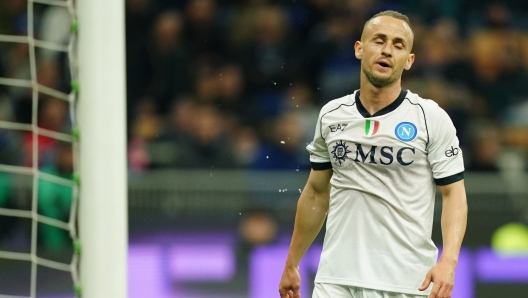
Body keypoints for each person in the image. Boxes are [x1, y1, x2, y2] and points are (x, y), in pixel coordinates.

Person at [279, 10, 468, 298]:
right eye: (379, 40)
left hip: (406, 282)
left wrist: (449, 262)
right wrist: (292, 261)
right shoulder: (331, 115)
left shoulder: (430, 118)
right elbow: (316, 192)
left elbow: (453, 194)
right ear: (359, 48)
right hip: (336, 280)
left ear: (409, 60)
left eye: (398, 44)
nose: (387, 50)